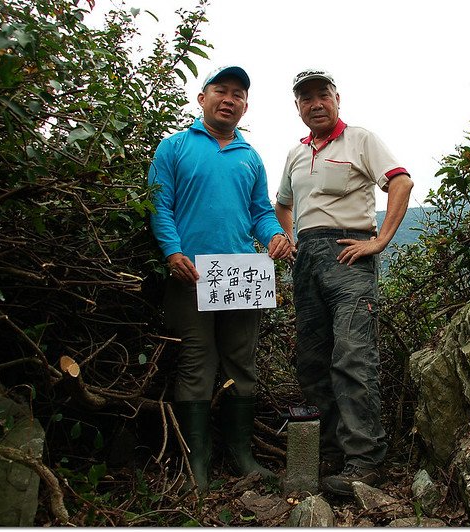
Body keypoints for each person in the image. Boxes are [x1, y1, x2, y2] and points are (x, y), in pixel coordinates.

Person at [147, 65, 293, 494]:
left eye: (238, 94)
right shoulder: (174, 147)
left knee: (240, 362)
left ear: (246, 106)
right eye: (221, 91)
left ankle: (243, 457)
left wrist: (275, 238)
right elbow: (161, 205)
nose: (229, 99)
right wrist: (172, 252)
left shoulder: (250, 156)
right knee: (196, 363)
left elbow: (261, 213)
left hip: (240, 277)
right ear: (202, 99)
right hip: (190, 276)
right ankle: (199, 463)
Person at [274, 68, 414, 496]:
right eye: (305, 98)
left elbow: (401, 182)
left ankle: (365, 459)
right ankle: (333, 451)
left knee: (353, 355)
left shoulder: (360, 139)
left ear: (337, 98)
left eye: (322, 94)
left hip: (349, 254)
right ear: (297, 107)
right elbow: (282, 203)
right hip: (308, 259)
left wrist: (380, 240)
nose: (315, 103)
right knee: (313, 360)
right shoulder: (296, 154)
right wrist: (289, 236)